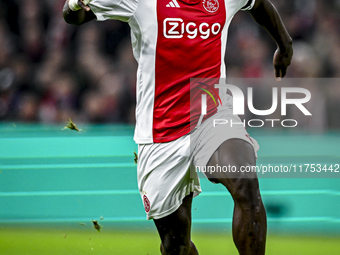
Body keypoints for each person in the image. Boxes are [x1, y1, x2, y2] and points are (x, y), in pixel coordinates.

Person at [63, 0, 292, 254]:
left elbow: (259, 4)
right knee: (176, 247)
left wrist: (285, 45)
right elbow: (74, 17)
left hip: (212, 114)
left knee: (245, 182)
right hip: (160, 132)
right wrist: (74, 4)